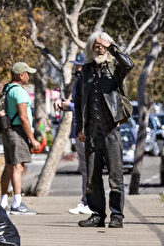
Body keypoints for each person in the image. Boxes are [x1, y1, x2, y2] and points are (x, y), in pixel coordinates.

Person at [74, 31, 134, 228]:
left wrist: (113, 47)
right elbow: (79, 101)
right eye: (95, 45)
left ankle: (117, 216)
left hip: (111, 132)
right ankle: (97, 215)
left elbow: (129, 64)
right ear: (90, 49)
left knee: (115, 177)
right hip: (91, 132)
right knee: (92, 178)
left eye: (102, 45)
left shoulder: (115, 67)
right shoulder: (86, 71)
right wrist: (79, 128)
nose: (99, 48)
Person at [0, 62, 41, 215]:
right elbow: (23, 117)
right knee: (18, 167)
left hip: (8, 131)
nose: (29, 76)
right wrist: (33, 139)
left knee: (9, 166)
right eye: (27, 73)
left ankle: (2, 201)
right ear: (21, 75)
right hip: (17, 132)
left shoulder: (7, 88)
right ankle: (17, 203)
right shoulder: (20, 92)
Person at [54, 52, 93, 216]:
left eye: (78, 64)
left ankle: (89, 202)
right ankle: (86, 201)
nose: (76, 67)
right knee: (85, 169)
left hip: (86, 130)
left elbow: (86, 104)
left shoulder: (88, 81)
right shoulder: (80, 81)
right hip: (79, 130)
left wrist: (69, 105)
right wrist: (65, 103)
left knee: (89, 169)